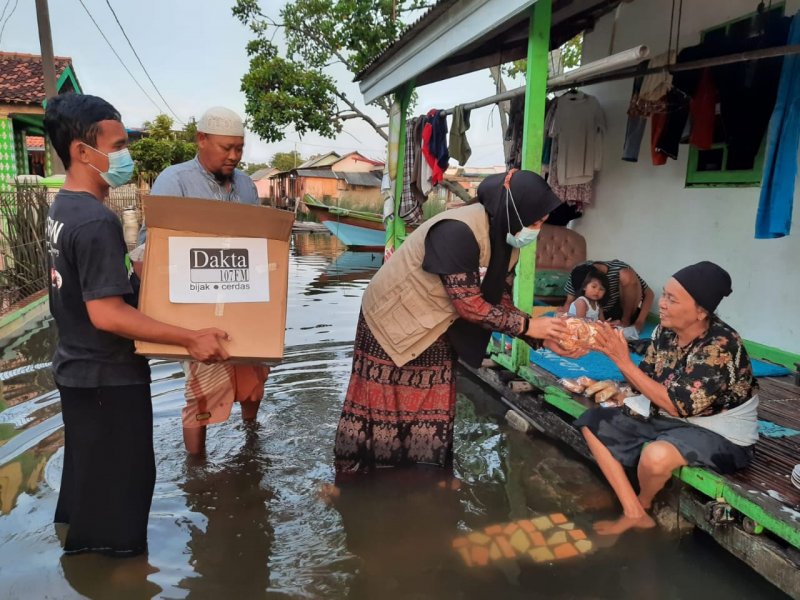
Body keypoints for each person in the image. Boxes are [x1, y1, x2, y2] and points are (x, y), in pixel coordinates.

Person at [43, 93, 229, 557]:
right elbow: (105, 312)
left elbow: (98, 283)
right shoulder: (95, 221)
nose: (127, 155)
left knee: (89, 489)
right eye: (119, 144)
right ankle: (121, 576)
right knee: (122, 496)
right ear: (83, 152)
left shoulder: (62, 210)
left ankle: (81, 558)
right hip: (110, 380)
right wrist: (190, 337)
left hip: (76, 372)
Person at [333, 169, 583, 476]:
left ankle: (426, 473)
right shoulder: (456, 230)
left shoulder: (508, 239)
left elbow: (498, 297)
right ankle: (357, 477)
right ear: (513, 208)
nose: (537, 228)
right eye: (534, 220)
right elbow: (470, 305)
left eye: (541, 222)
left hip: (438, 324)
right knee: (379, 404)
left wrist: (541, 336)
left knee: (434, 403)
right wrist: (530, 327)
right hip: (391, 320)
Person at [575, 261, 758, 535]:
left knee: (656, 456)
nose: (662, 303)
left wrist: (622, 362)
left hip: (721, 432)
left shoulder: (721, 345)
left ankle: (643, 503)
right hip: (670, 415)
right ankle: (633, 511)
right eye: (664, 294)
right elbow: (646, 377)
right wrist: (604, 344)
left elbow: (678, 404)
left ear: (700, 312)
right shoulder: (664, 332)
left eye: (672, 299)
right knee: (593, 421)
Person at [140, 106, 270, 456]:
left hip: (242, 300)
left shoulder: (244, 185)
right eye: (226, 147)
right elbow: (148, 247)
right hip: (195, 304)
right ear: (201, 140)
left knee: (254, 379)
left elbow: (258, 242)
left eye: (239, 148)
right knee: (201, 390)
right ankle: (196, 469)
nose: (234, 156)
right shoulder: (175, 180)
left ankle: (251, 438)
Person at [562, 260, 654, 332]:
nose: (596, 291)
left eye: (600, 288)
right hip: (588, 315)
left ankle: (625, 321)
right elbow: (569, 304)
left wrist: (640, 322)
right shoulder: (578, 272)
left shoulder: (619, 268)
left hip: (617, 310)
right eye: (592, 287)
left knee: (626, 274)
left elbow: (649, 294)